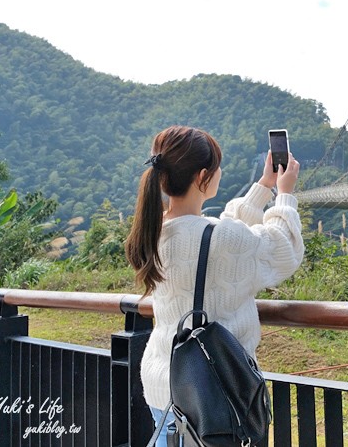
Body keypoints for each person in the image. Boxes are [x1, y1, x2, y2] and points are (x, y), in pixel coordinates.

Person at [125, 125, 305, 446]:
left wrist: (264, 186)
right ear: (203, 176)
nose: (221, 173)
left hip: (163, 387)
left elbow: (222, 231)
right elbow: (282, 250)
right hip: (213, 393)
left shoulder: (155, 230)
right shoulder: (219, 238)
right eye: (218, 167)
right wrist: (286, 195)